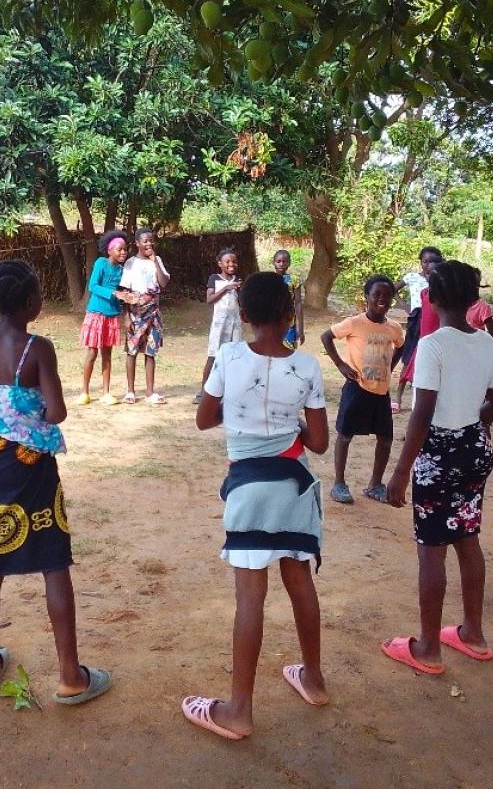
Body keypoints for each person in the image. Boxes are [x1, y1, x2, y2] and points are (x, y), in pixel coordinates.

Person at [185, 272, 329, 740]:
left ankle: (239, 709)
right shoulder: (306, 366)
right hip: (293, 484)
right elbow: (321, 442)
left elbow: (205, 420)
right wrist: (292, 426)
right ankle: (313, 676)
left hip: (248, 488)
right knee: (299, 581)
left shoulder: (228, 356)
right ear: (291, 316)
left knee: (251, 598)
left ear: (243, 316)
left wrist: (246, 414)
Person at [0, 261, 112, 705]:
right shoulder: (37, 348)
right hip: (33, 466)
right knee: (53, 563)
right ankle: (70, 676)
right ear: (30, 303)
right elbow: (58, 411)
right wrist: (32, 416)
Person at [384, 260, 493, 673]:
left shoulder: (434, 345)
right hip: (475, 447)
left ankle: (428, 649)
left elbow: (422, 413)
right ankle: (472, 633)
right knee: (468, 538)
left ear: (432, 299)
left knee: (431, 550)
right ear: (475, 299)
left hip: (438, 454)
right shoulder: (489, 346)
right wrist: (470, 418)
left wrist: (401, 470)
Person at [320, 275, 403, 504]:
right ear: (366, 297)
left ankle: (375, 484)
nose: (382, 300)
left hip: (381, 391)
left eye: (387, 296)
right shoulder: (354, 323)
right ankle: (339, 483)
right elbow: (326, 336)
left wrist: (390, 366)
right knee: (345, 435)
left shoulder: (394, 328)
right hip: (357, 388)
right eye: (376, 295)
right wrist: (340, 364)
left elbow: (401, 347)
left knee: (385, 439)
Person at [78, 231, 132, 406]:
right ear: (109, 251)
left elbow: (122, 290)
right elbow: (93, 286)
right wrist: (113, 293)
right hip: (96, 313)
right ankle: (84, 392)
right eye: (119, 249)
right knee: (92, 352)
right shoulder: (101, 263)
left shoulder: (122, 270)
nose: (123, 252)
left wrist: (127, 297)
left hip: (112, 316)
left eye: (125, 249)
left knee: (107, 354)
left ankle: (106, 393)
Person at [120, 227, 170, 405]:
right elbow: (125, 291)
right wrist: (126, 316)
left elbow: (163, 282)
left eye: (151, 240)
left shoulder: (157, 260)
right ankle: (130, 391)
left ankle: (150, 392)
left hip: (153, 312)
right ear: (137, 243)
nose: (148, 243)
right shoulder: (130, 263)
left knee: (151, 352)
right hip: (135, 312)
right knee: (132, 351)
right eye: (145, 241)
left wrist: (155, 261)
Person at [393, 247, 443, 414]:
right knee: (410, 355)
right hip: (416, 319)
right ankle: (398, 396)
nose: (428, 265)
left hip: (434, 320)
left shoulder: (440, 280)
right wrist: (405, 306)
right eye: (425, 261)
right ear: (420, 262)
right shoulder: (412, 277)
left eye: (433, 261)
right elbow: (394, 289)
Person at [195, 248, 243, 404]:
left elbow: (241, 302)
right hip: (219, 324)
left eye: (234, 261)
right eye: (227, 261)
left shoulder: (239, 280)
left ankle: (231, 393)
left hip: (235, 324)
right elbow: (209, 300)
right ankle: (203, 392)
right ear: (220, 264)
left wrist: (240, 290)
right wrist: (225, 288)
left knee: (234, 357)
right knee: (213, 356)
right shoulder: (214, 279)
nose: (231, 264)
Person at [272, 249, 305, 350]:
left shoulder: (294, 279)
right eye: (278, 261)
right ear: (274, 263)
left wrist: (301, 328)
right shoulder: (269, 279)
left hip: (289, 320)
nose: (281, 264)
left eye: (284, 261)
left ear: (289, 263)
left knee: (289, 351)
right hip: (272, 320)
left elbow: (298, 303)